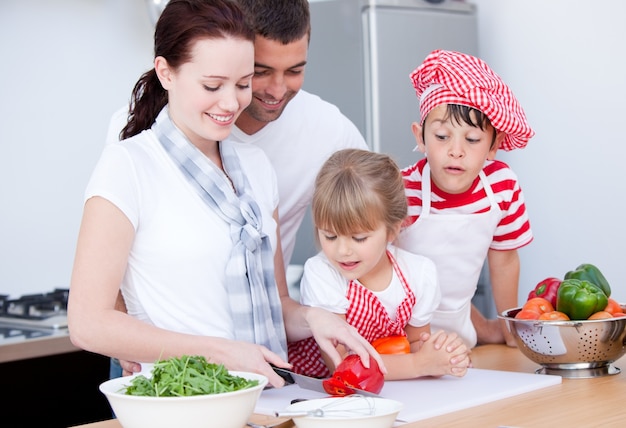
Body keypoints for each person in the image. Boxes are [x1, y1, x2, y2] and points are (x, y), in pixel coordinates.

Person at [68, 0, 382, 390]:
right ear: (165, 72)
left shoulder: (255, 167)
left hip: (263, 394)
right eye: (213, 86)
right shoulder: (129, 164)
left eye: (242, 83)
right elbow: (86, 323)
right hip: (179, 399)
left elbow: (278, 302)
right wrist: (220, 352)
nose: (232, 103)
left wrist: (314, 317)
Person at [106, 0, 369, 269]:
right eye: (260, 72)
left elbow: (383, 215)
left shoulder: (322, 132)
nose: (277, 91)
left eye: (295, 71)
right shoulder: (137, 138)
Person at [288, 149, 471, 380]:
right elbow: (342, 366)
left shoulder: (418, 274)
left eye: (359, 238)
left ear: (392, 230)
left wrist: (442, 356)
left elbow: (415, 343)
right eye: (330, 236)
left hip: (389, 388)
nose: (342, 251)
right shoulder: (323, 273)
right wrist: (418, 365)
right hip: (325, 391)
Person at [395, 49, 535, 348]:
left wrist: (507, 327)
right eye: (442, 137)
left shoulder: (502, 185)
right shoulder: (403, 188)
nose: (455, 151)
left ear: (493, 145)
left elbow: (505, 259)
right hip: (398, 333)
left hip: (461, 332)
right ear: (420, 137)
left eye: (472, 140)